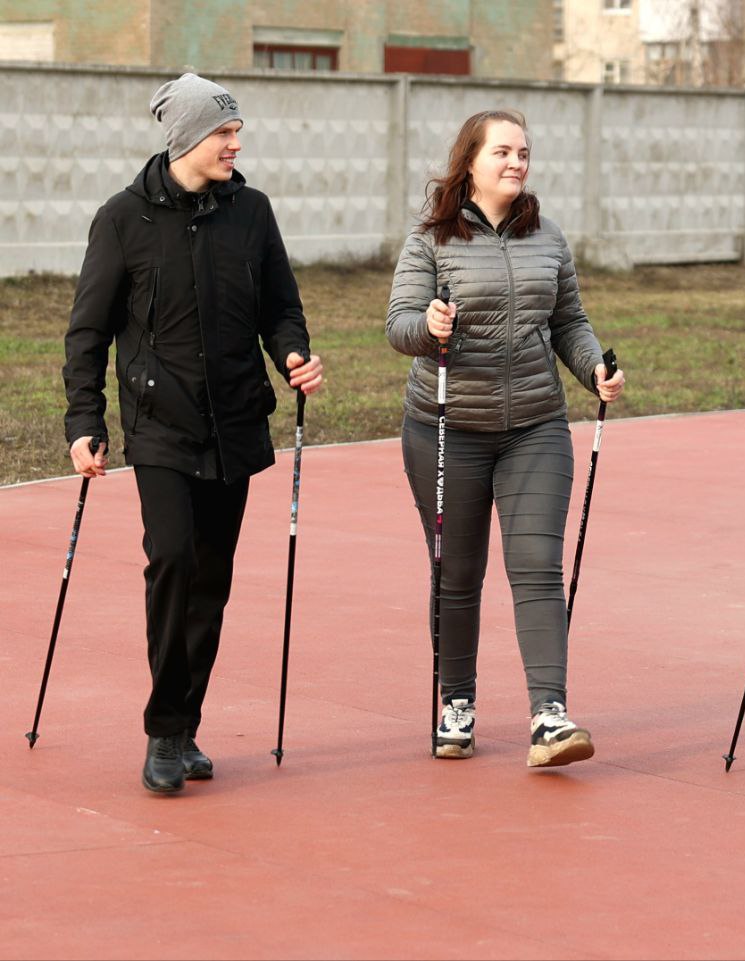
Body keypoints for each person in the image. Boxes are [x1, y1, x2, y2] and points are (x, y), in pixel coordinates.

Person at [63, 74, 324, 794]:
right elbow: (86, 333)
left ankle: (184, 724)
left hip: (235, 422)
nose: (235, 144)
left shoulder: (253, 213)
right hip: (160, 426)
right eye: (224, 133)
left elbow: (282, 308)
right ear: (185, 139)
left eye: (237, 133)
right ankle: (163, 730)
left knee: (212, 578)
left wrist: (294, 354)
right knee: (173, 560)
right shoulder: (122, 220)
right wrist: (84, 420)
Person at [386, 109, 624, 768]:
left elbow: (569, 320)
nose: (517, 162)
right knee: (458, 574)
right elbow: (398, 324)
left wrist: (594, 366)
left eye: (524, 152)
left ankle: (550, 715)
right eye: (503, 152)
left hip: (535, 426)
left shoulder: (547, 236)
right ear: (470, 161)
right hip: (444, 429)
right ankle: (456, 702)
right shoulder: (431, 238)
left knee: (538, 569)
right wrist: (428, 323)